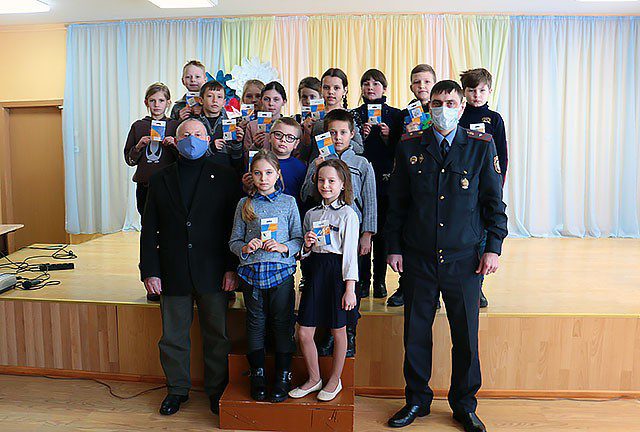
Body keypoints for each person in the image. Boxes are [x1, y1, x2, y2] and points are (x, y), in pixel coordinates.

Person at [385, 80, 507, 431]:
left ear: (462, 107)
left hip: (464, 259)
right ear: (429, 107)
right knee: (416, 333)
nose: (443, 109)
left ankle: (464, 405)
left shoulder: (480, 146)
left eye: (450, 103)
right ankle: (416, 400)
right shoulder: (409, 146)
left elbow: (493, 203)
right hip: (418, 256)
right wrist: (393, 247)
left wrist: (493, 248)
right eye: (437, 103)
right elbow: (398, 203)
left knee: (465, 336)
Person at [139, 118, 240, 417]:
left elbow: (233, 227)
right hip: (172, 269)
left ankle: (217, 389)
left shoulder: (226, 176)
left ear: (208, 140)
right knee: (172, 336)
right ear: (175, 139)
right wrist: (150, 270)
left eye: (198, 134)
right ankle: (177, 389)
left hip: (214, 270)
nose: (191, 139)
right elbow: (149, 228)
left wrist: (231, 268)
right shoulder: (160, 178)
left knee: (217, 335)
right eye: (186, 134)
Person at [301, 108, 376, 358]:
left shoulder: (362, 163)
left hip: (353, 232)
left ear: (352, 134)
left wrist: (367, 234)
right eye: (332, 132)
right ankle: (327, 333)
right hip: (325, 235)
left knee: (352, 282)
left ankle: (349, 332)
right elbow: (305, 194)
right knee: (324, 287)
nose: (338, 137)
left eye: (343, 132)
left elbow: (370, 200)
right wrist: (315, 170)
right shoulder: (318, 162)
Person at [229, 150, 303, 403]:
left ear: (278, 174)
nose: (263, 178)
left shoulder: (289, 202)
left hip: (281, 274)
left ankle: (283, 375)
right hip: (251, 275)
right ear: (251, 175)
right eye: (258, 173)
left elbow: (298, 238)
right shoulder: (244, 204)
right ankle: (257, 374)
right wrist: (245, 247)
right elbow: (234, 241)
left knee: (282, 323)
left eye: (269, 173)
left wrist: (283, 247)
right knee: (255, 324)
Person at [289, 159, 359, 402]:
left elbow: (350, 255)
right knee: (304, 331)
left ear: (343, 184)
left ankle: (335, 379)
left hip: (337, 274)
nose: (325, 185)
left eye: (331, 181)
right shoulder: (311, 214)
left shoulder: (348, 214)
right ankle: (314, 378)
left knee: (338, 330)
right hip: (315, 272)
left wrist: (350, 288)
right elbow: (303, 254)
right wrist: (307, 246)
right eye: (321, 180)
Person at [387, 64, 437, 307]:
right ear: (411, 86)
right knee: (410, 237)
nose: (422, 86)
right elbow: (393, 148)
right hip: (412, 181)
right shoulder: (404, 113)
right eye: (417, 82)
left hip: (436, 182)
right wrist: (405, 135)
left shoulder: (442, 109)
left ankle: (438, 291)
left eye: (426, 82)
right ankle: (405, 286)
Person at [459, 68, 509, 309]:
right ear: (464, 92)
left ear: (489, 91)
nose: (476, 95)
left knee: (483, 236)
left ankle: (476, 287)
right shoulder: (458, 115)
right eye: (471, 90)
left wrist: (498, 184)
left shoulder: (494, 119)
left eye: (481, 90)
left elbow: (502, 155)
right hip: (461, 186)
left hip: (486, 186)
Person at [354, 69, 404, 299]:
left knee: (382, 234)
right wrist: (361, 137)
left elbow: (401, 150)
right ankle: (363, 281)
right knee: (362, 233)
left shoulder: (396, 115)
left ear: (384, 88)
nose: (370, 87)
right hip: (361, 182)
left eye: (376, 83)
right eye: (366, 83)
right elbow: (352, 149)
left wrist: (388, 136)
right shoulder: (355, 115)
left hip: (386, 181)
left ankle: (380, 281)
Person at [124, 82, 179, 217]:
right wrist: (138, 146)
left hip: (169, 184)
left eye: (161, 101)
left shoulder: (175, 126)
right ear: (146, 102)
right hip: (145, 184)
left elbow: (183, 157)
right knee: (146, 219)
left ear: (168, 103)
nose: (156, 105)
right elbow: (129, 160)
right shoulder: (138, 126)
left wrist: (174, 145)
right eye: (152, 100)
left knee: (168, 220)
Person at [298, 68, 364, 163]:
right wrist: (307, 134)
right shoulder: (311, 116)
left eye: (336, 88)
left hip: (344, 167)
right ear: (321, 89)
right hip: (318, 167)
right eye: (326, 87)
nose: (331, 92)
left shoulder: (352, 115)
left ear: (345, 90)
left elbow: (360, 149)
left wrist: (338, 136)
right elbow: (304, 155)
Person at [195, 80, 244, 170]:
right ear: (201, 100)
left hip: (225, 172)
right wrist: (211, 148)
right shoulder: (194, 124)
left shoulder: (232, 125)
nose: (215, 100)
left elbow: (237, 159)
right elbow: (191, 154)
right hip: (200, 171)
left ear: (224, 102)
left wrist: (237, 143)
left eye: (219, 97)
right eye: (210, 96)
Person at [243, 81, 287, 152]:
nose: (271, 103)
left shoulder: (289, 125)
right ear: (261, 101)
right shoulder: (251, 126)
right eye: (266, 99)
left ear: (284, 102)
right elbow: (246, 155)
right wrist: (255, 146)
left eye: (276, 99)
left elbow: (297, 153)